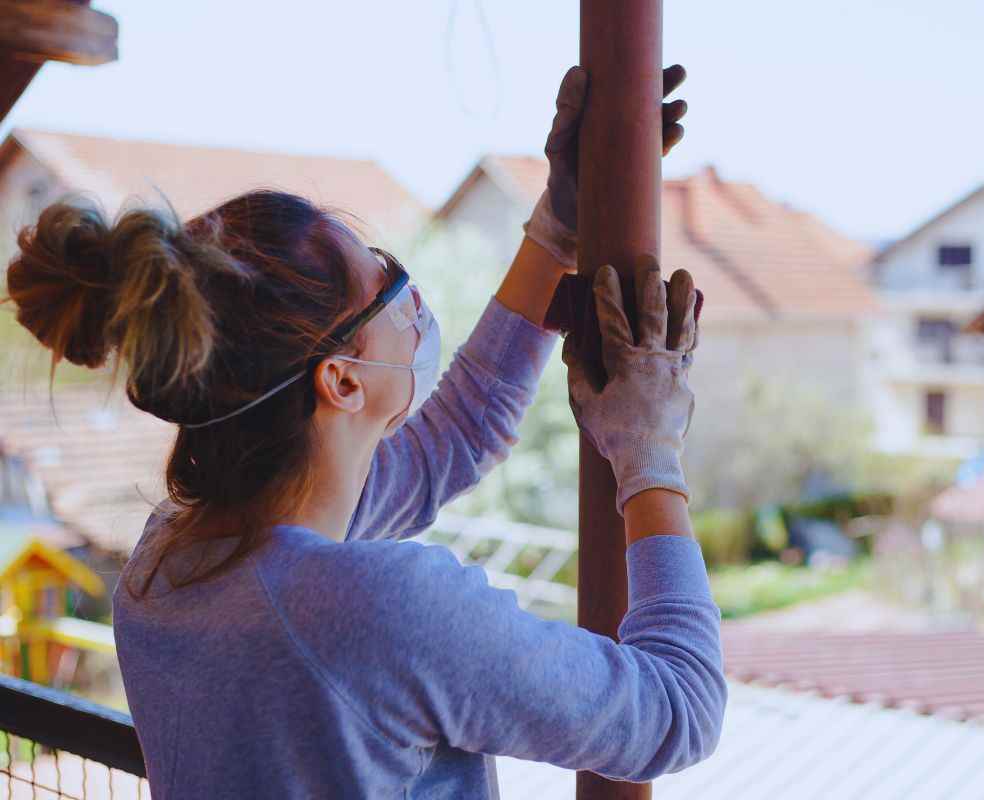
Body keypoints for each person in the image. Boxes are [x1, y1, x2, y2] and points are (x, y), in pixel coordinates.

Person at [3, 65, 725, 798]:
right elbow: (680, 708)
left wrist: (557, 230)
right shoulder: (373, 611)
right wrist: (651, 458)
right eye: (384, 281)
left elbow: (457, 437)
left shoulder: (167, 566)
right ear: (342, 380)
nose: (407, 295)